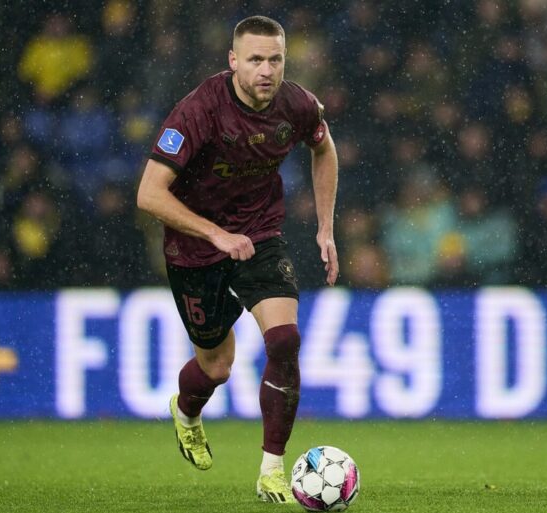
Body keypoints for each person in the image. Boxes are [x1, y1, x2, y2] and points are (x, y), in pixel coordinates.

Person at [136, 15, 338, 504]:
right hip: (194, 247)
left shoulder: (298, 104)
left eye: (275, 60)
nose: (266, 71)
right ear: (233, 61)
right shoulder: (199, 110)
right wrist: (216, 234)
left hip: (259, 234)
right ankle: (186, 412)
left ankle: (272, 470)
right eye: (255, 60)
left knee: (284, 340)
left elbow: (324, 148)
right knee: (218, 365)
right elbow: (148, 194)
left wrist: (326, 227)